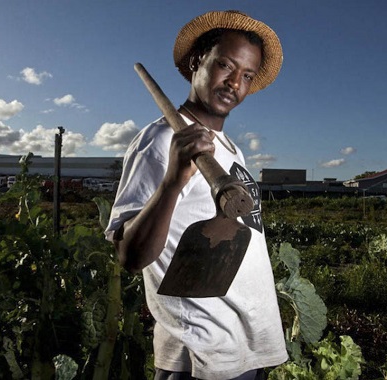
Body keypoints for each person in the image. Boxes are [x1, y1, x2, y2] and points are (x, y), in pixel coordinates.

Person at [105, 10, 288, 380]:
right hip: (201, 352)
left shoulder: (232, 150)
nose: (234, 82)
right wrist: (173, 180)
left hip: (244, 347)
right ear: (196, 63)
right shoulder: (160, 141)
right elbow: (129, 255)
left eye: (247, 76)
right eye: (225, 65)